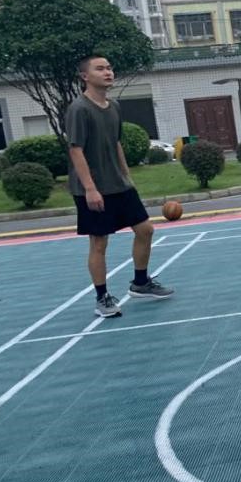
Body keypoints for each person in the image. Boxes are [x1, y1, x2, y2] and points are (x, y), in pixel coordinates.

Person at [67, 55, 175, 317]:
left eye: (109, 68)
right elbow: (76, 150)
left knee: (145, 230)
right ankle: (102, 298)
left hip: (119, 185)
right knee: (99, 243)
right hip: (93, 188)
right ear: (85, 76)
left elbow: (116, 143)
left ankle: (140, 282)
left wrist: (127, 176)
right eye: (100, 69)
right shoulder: (79, 109)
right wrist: (90, 188)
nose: (108, 72)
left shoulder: (114, 106)